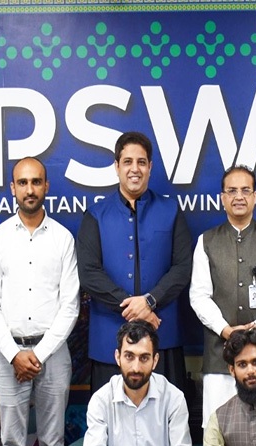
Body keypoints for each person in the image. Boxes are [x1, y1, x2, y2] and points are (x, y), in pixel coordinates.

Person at [0, 157, 79, 446]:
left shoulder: (63, 238)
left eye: (36, 181)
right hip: (8, 354)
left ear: (46, 186)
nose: (30, 189)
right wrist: (15, 355)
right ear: (12, 188)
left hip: (54, 353)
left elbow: (70, 306)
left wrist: (37, 354)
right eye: (22, 182)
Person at [76, 131, 192, 393]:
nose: (134, 169)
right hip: (109, 343)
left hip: (163, 337)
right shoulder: (95, 215)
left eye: (141, 162)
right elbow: (89, 273)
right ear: (116, 166)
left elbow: (182, 267)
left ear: (150, 166)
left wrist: (150, 301)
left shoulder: (171, 210)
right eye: (127, 162)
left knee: (167, 414)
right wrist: (135, 308)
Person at [189, 165, 256, 426]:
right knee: (219, 433)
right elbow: (199, 296)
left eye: (245, 190)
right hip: (220, 357)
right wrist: (226, 331)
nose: (239, 196)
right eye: (232, 191)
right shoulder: (206, 241)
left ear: (255, 197)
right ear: (222, 198)